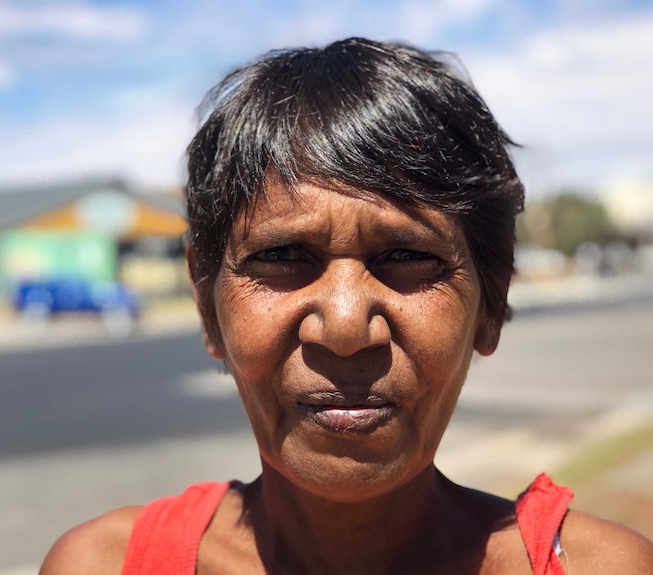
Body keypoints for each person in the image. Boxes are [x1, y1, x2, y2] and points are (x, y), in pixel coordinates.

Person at [40, 37, 653, 574]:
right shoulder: (107, 566)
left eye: (406, 256)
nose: (344, 326)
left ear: (489, 304)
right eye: (281, 254)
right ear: (208, 308)